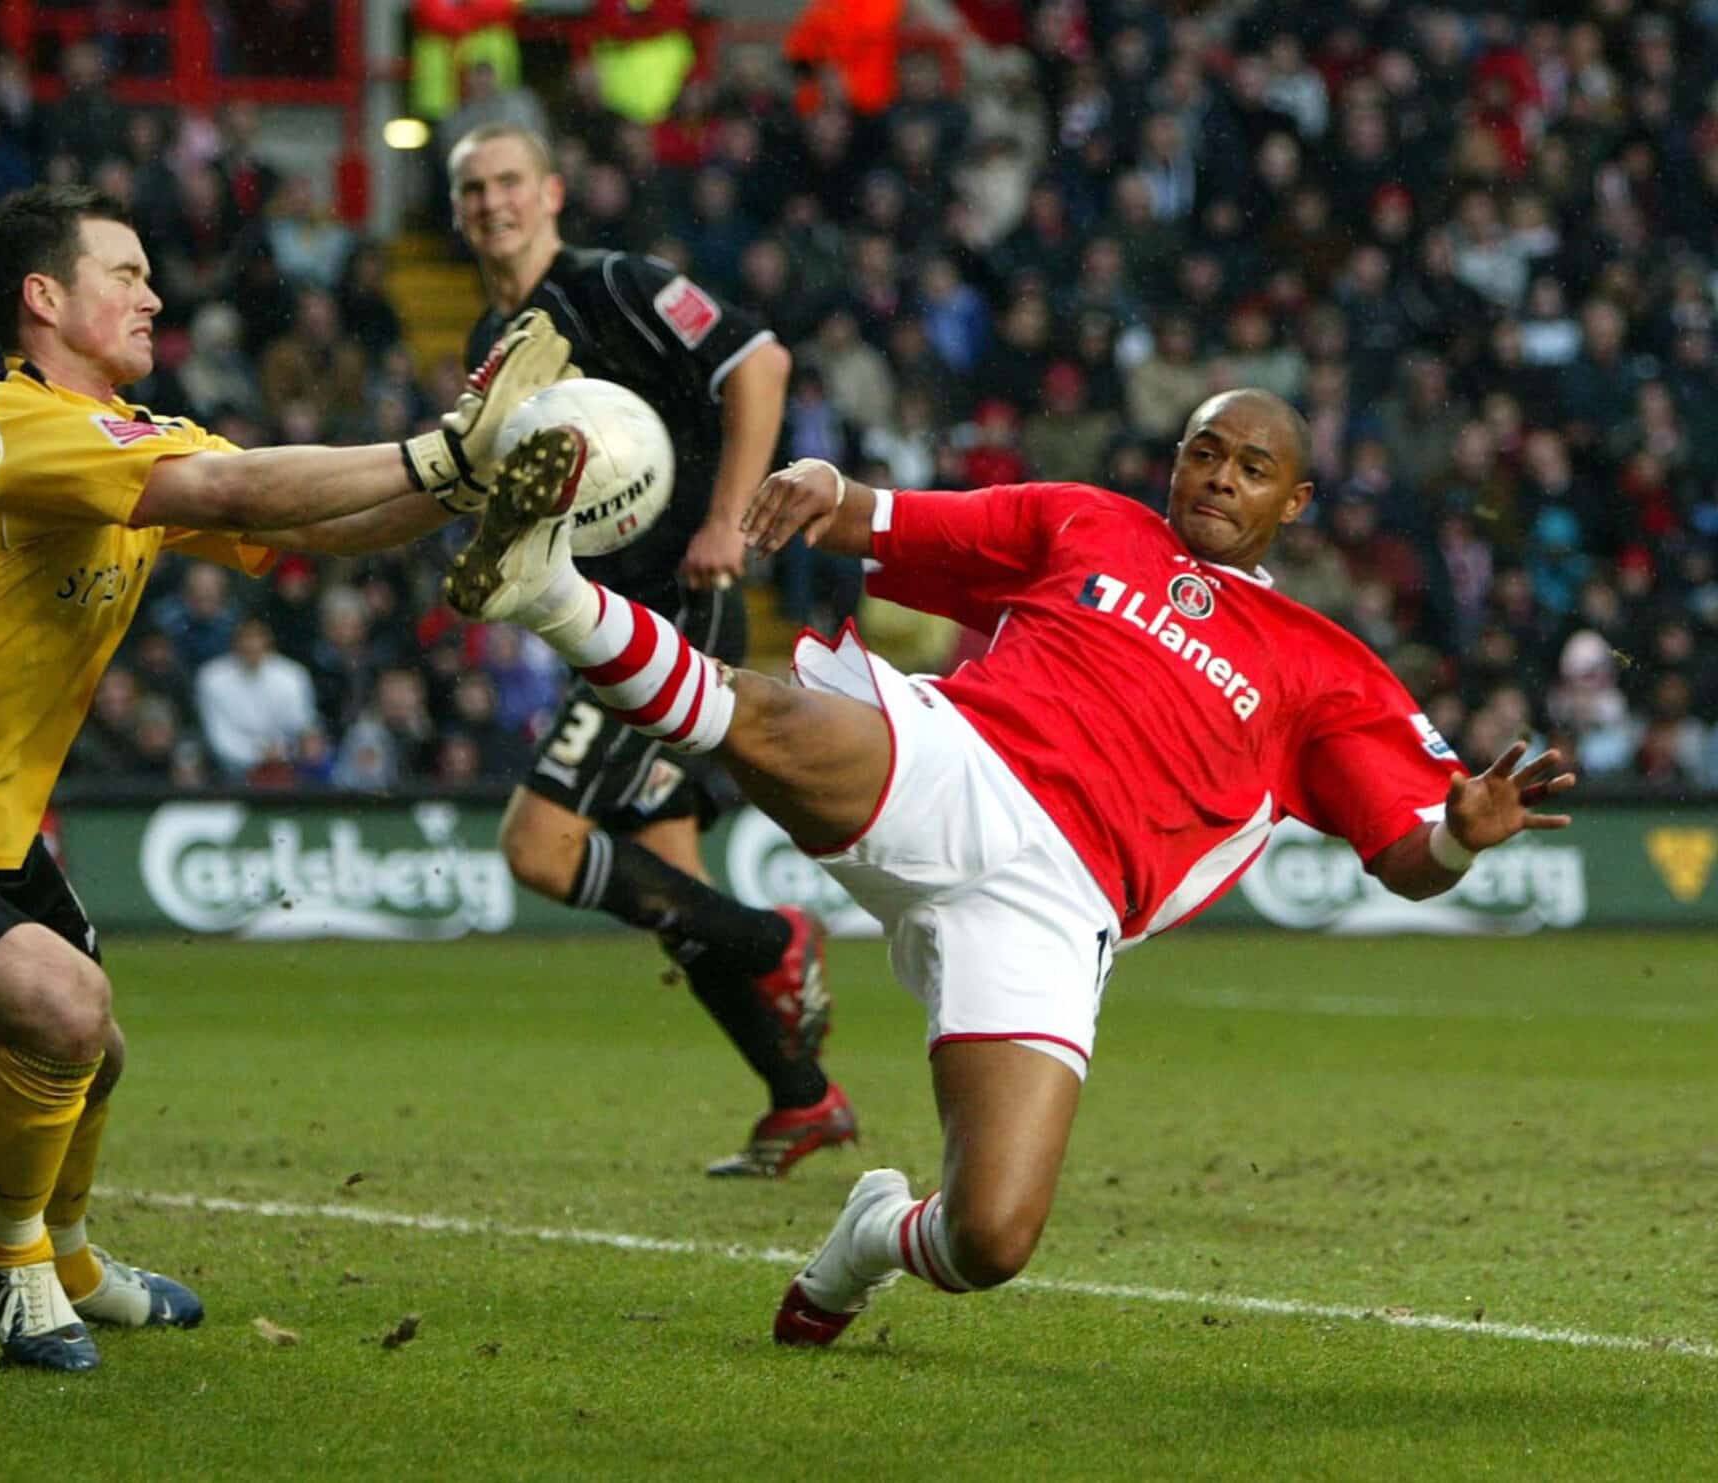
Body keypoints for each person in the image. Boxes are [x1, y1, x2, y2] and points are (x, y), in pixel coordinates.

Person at [439, 387, 1578, 1345]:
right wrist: (824, 485)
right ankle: (549, 588)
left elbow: (1402, 859)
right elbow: (884, 521)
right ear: (1175, 460)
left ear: (1296, 501)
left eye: (1252, 468)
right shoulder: (1086, 520)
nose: (1219, 478)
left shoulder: (1323, 667)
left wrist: (1456, 835)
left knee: (989, 1236)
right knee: (767, 719)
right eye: (1204, 452)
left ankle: (867, 1238)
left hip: (1060, 906)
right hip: (964, 766)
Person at [0, 184, 574, 1373]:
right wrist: (444, 447)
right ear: (44, 298)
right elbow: (237, 491)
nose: (154, 294)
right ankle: (12, 1272)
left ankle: (71, 1255)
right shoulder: (16, 428)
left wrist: (463, 484)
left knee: (98, 1047)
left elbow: (304, 518)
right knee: (64, 1011)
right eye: (125, 274)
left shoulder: (131, 440)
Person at [448, 123, 853, 1177]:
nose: (492, 202)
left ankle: (775, 941)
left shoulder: (614, 284)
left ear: (550, 192)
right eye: (472, 189)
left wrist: (727, 519)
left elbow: (759, 362)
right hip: (603, 620)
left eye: (508, 181)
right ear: (457, 212)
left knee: (539, 847)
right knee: (672, 885)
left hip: (678, 605)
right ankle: (802, 1099)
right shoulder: (491, 343)